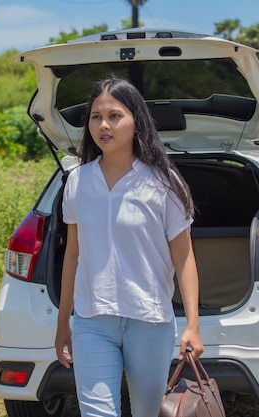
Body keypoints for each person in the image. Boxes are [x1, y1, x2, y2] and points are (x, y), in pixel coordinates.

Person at [55, 76, 204, 417]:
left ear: (136, 119)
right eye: (95, 116)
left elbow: (184, 257)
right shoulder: (78, 181)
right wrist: (64, 320)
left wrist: (193, 325)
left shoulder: (164, 182)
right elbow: (73, 255)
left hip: (149, 322)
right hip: (92, 322)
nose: (103, 125)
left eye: (114, 116)